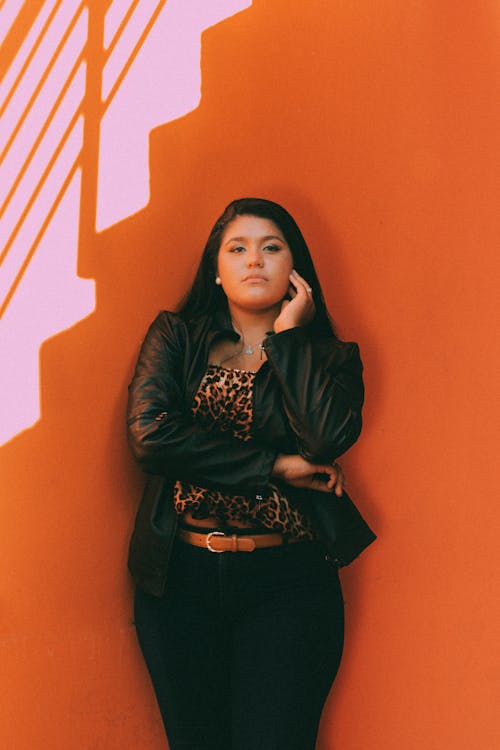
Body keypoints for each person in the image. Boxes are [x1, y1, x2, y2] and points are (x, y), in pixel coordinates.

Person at [126, 197, 375, 750]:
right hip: (178, 582)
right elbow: (151, 437)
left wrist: (287, 340)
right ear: (216, 271)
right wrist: (274, 466)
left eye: (271, 247)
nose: (254, 260)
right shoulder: (176, 337)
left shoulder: (332, 358)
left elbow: (326, 438)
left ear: (296, 270)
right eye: (236, 249)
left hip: (287, 583)